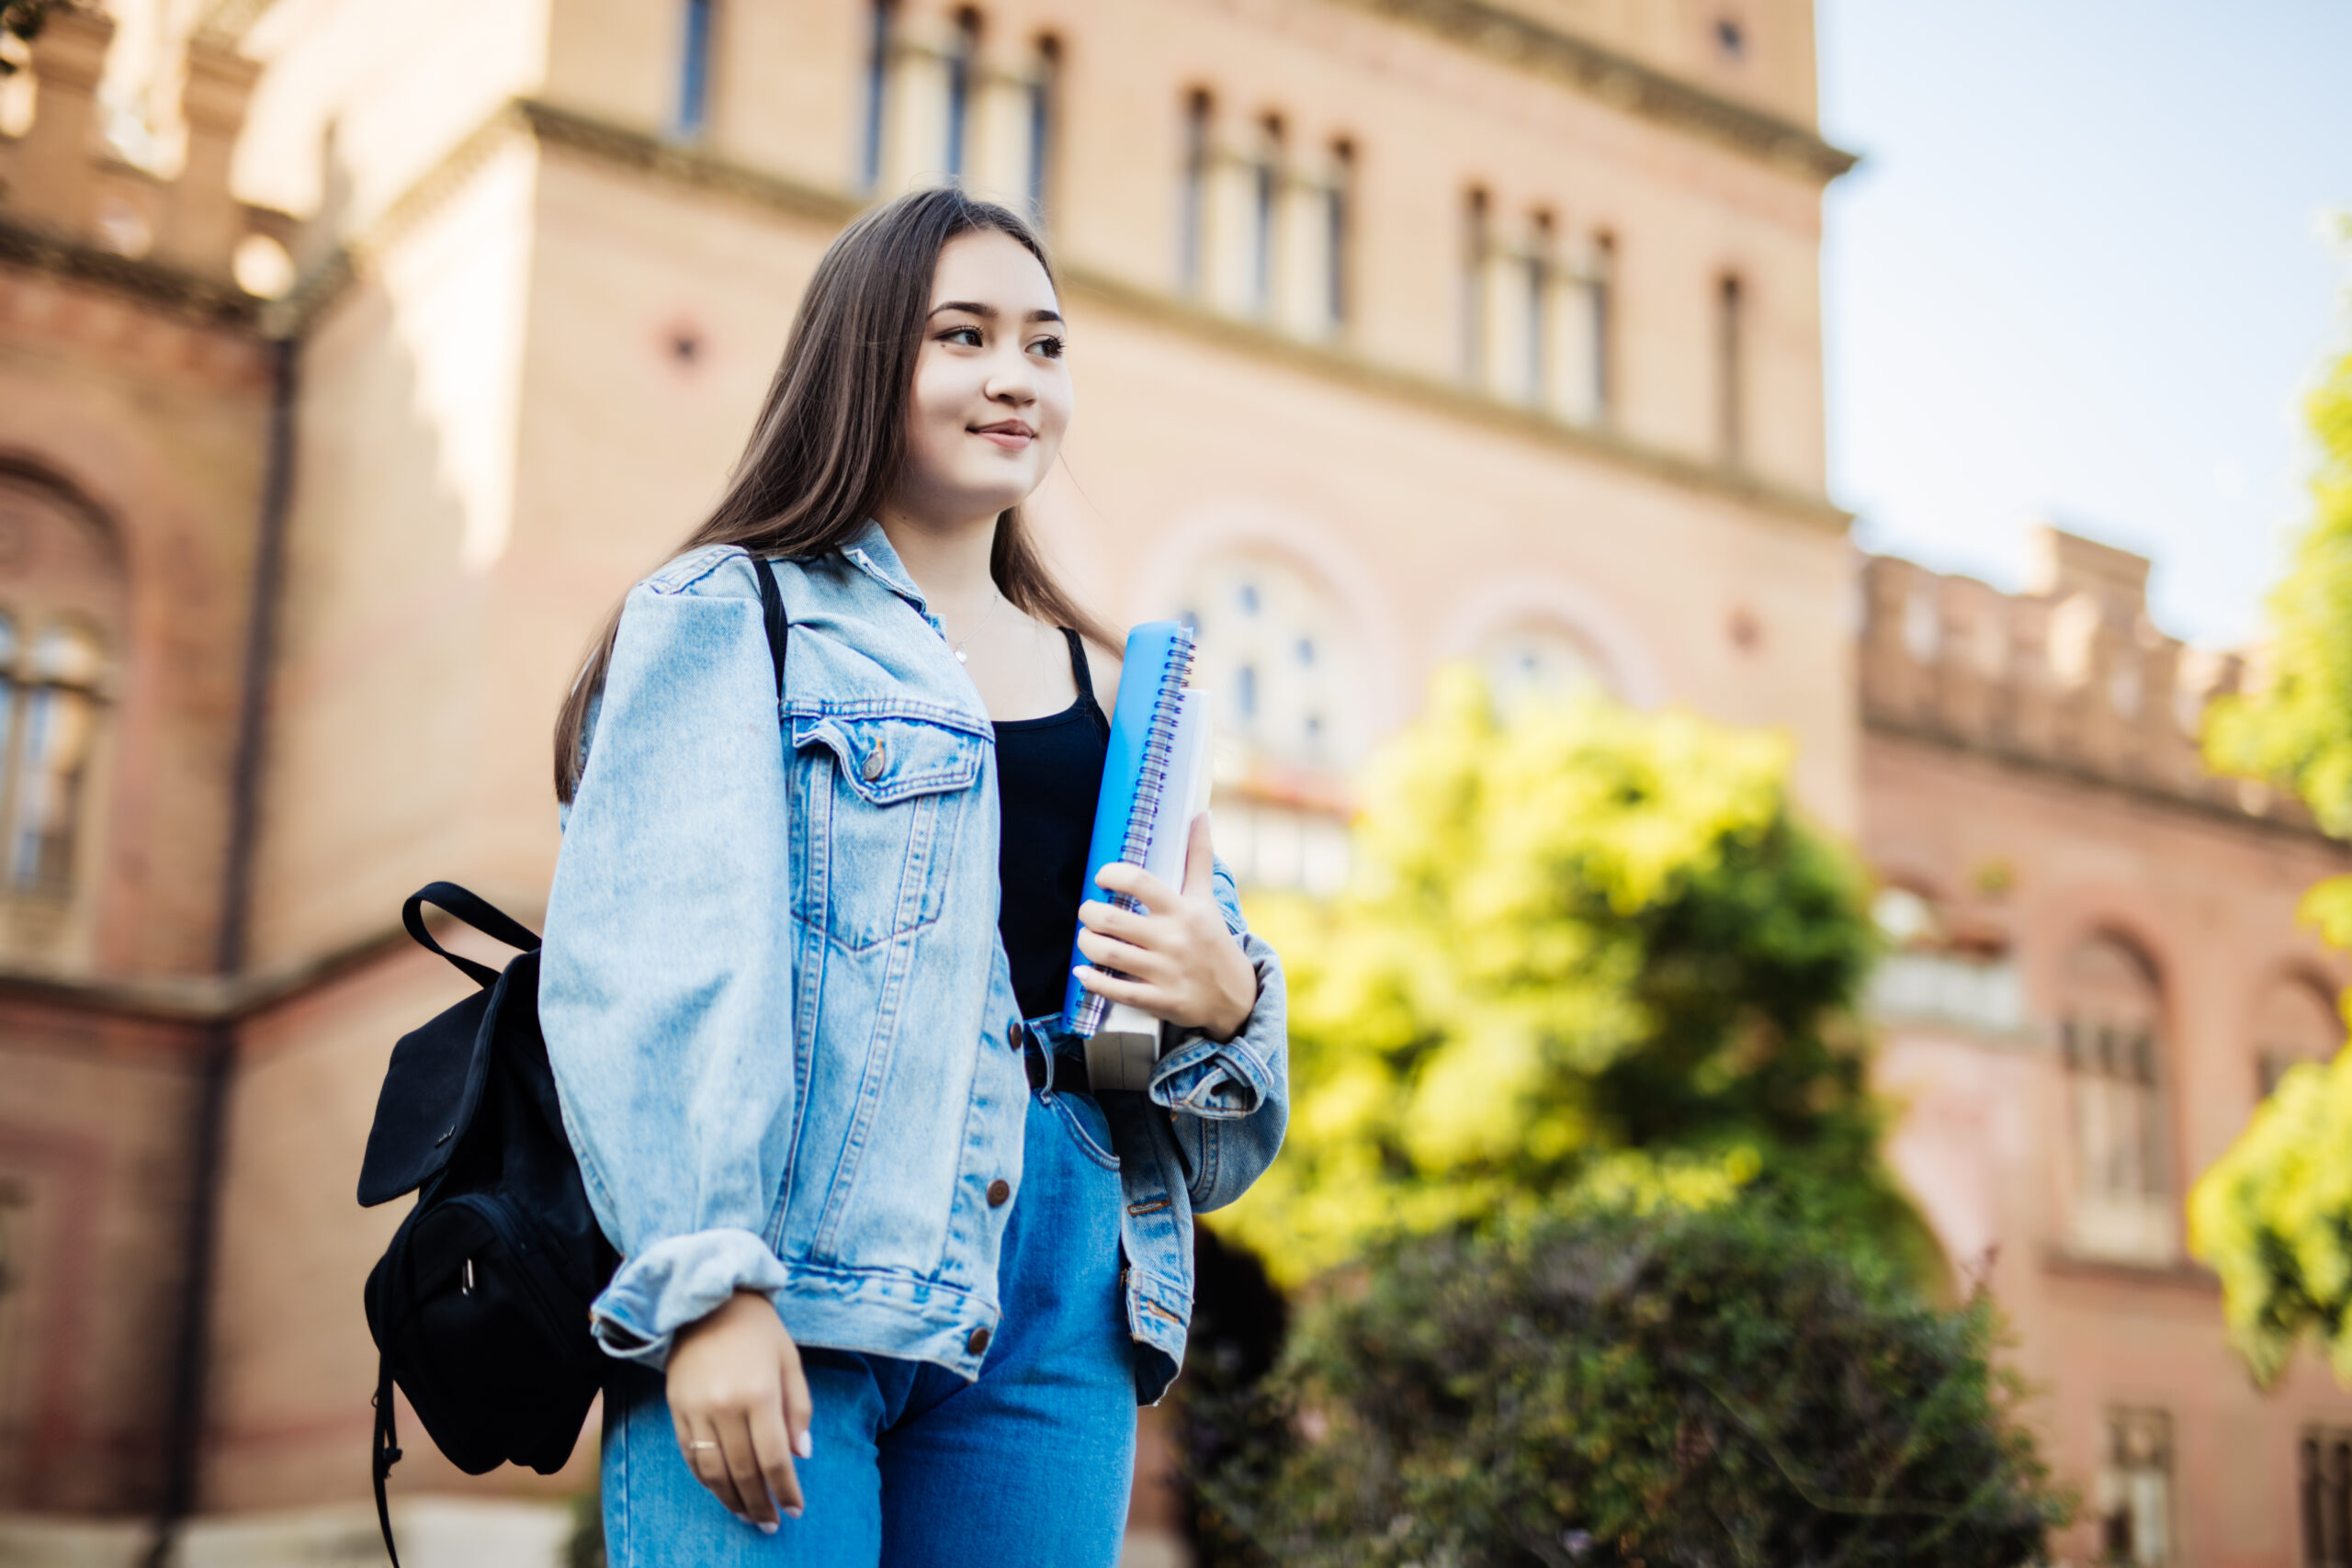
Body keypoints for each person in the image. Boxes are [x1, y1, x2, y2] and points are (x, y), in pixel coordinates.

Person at [538, 186, 1289, 1567]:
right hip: (797, 1265)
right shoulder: (731, 613)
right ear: (866, 359)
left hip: (1068, 1292)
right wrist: (706, 1288)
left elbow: (1227, 1125)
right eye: (965, 336)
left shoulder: (1120, 688)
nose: (1016, 378)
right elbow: (649, 968)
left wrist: (1229, 994)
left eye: (1047, 346)